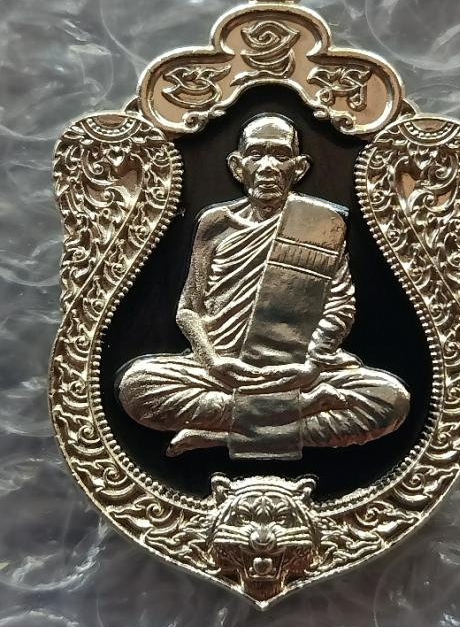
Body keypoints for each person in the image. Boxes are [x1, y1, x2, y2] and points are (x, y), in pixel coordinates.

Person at [118, 114, 410, 458]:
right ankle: (298, 411)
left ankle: (222, 435)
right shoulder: (216, 224)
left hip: (300, 370)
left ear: (298, 168)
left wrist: (311, 367)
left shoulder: (321, 225)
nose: (268, 167)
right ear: (237, 166)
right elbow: (189, 309)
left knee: (390, 399)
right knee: (138, 387)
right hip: (223, 371)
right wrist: (213, 362)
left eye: (280, 155)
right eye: (256, 154)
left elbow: (340, 306)